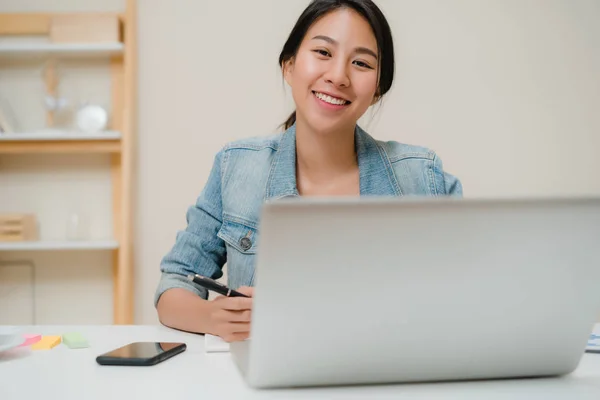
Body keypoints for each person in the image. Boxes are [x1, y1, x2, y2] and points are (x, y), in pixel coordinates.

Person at [155, 0, 462, 342]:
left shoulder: (424, 178)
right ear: (289, 66)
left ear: (377, 90)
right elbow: (174, 284)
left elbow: (468, 295)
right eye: (323, 52)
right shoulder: (236, 166)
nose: (338, 76)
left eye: (361, 63)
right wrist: (212, 317)